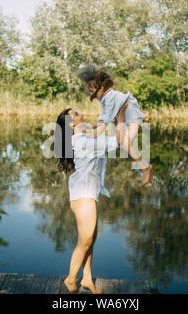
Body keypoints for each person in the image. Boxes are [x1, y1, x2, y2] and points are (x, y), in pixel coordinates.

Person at [54, 106, 125, 294]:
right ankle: (70, 279)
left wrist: (111, 121)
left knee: (91, 238)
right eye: (77, 115)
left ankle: (86, 278)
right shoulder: (82, 142)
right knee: (85, 240)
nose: (82, 114)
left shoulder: (84, 138)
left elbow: (101, 131)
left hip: (88, 192)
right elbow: (114, 142)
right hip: (83, 193)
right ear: (71, 124)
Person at [77, 65, 153, 186]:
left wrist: (93, 136)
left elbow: (105, 124)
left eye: (92, 91)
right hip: (125, 119)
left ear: (101, 88)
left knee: (125, 144)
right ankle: (147, 170)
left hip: (133, 118)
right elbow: (104, 119)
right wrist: (92, 128)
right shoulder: (105, 97)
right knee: (121, 143)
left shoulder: (110, 97)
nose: (91, 95)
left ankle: (145, 167)